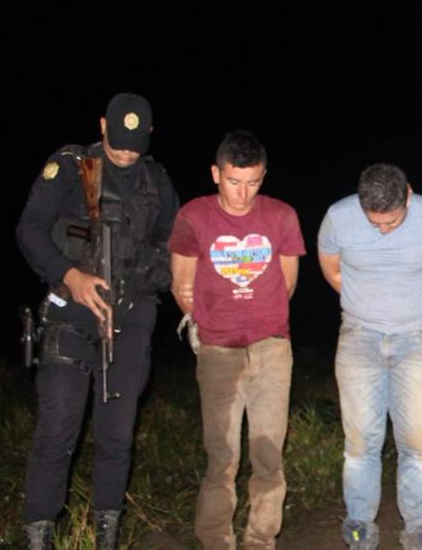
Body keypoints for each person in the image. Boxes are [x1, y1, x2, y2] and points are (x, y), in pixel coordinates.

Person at [16, 92, 179, 549]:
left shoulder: (156, 180)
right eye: (119, 142)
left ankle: (106, 531)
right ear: (103, 127)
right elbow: (29, 230)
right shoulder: (71, 167)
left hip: (131, 317)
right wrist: (71, 275)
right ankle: (39, 534)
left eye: (136, 144)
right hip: (72, 313)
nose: (127, 153)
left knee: (117, 432)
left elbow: (177, 244)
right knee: (57, 428)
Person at [168, 129, 306, 550]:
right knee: (221, 458)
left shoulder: (282, 216)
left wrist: (258, 315)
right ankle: (215, 539)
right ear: (215, 173)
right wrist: (210, 322)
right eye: (233, 181)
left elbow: (287, 285)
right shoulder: (193, 216)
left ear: (263, 177)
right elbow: (181, 285)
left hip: (271, 349)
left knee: (268, 456)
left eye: (253, 181)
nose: (243, 193)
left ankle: (261, 538)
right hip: (218, 353)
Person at [318, 163, 422, 549]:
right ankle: (360, 525)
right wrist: (368, 304)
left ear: (408, 196)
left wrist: (406, 306)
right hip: (359, 339)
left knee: (418, 442)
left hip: (419, 338)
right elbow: (332, 270)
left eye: (391, 222)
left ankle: (418, 527)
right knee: (361, 443)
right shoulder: (338, 217)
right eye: (374, 222)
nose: (382, 229)